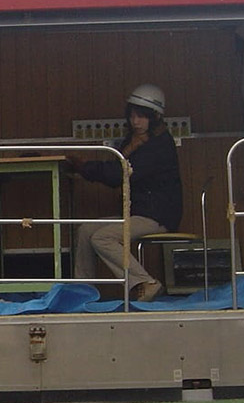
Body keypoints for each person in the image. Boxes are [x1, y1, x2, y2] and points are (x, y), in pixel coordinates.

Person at [71, 84, 183, 302]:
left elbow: (118, 174)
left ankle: (145, 282)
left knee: (102, 237)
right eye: (132, 116)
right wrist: (87, 168)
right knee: (85, 230)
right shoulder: (137, 141)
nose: (135, 121)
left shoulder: (158, 146)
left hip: (157, 216)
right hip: (140, 212)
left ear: (155, 117)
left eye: (141, 116)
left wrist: (84, 168)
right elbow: (117, 169)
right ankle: (83, 292)